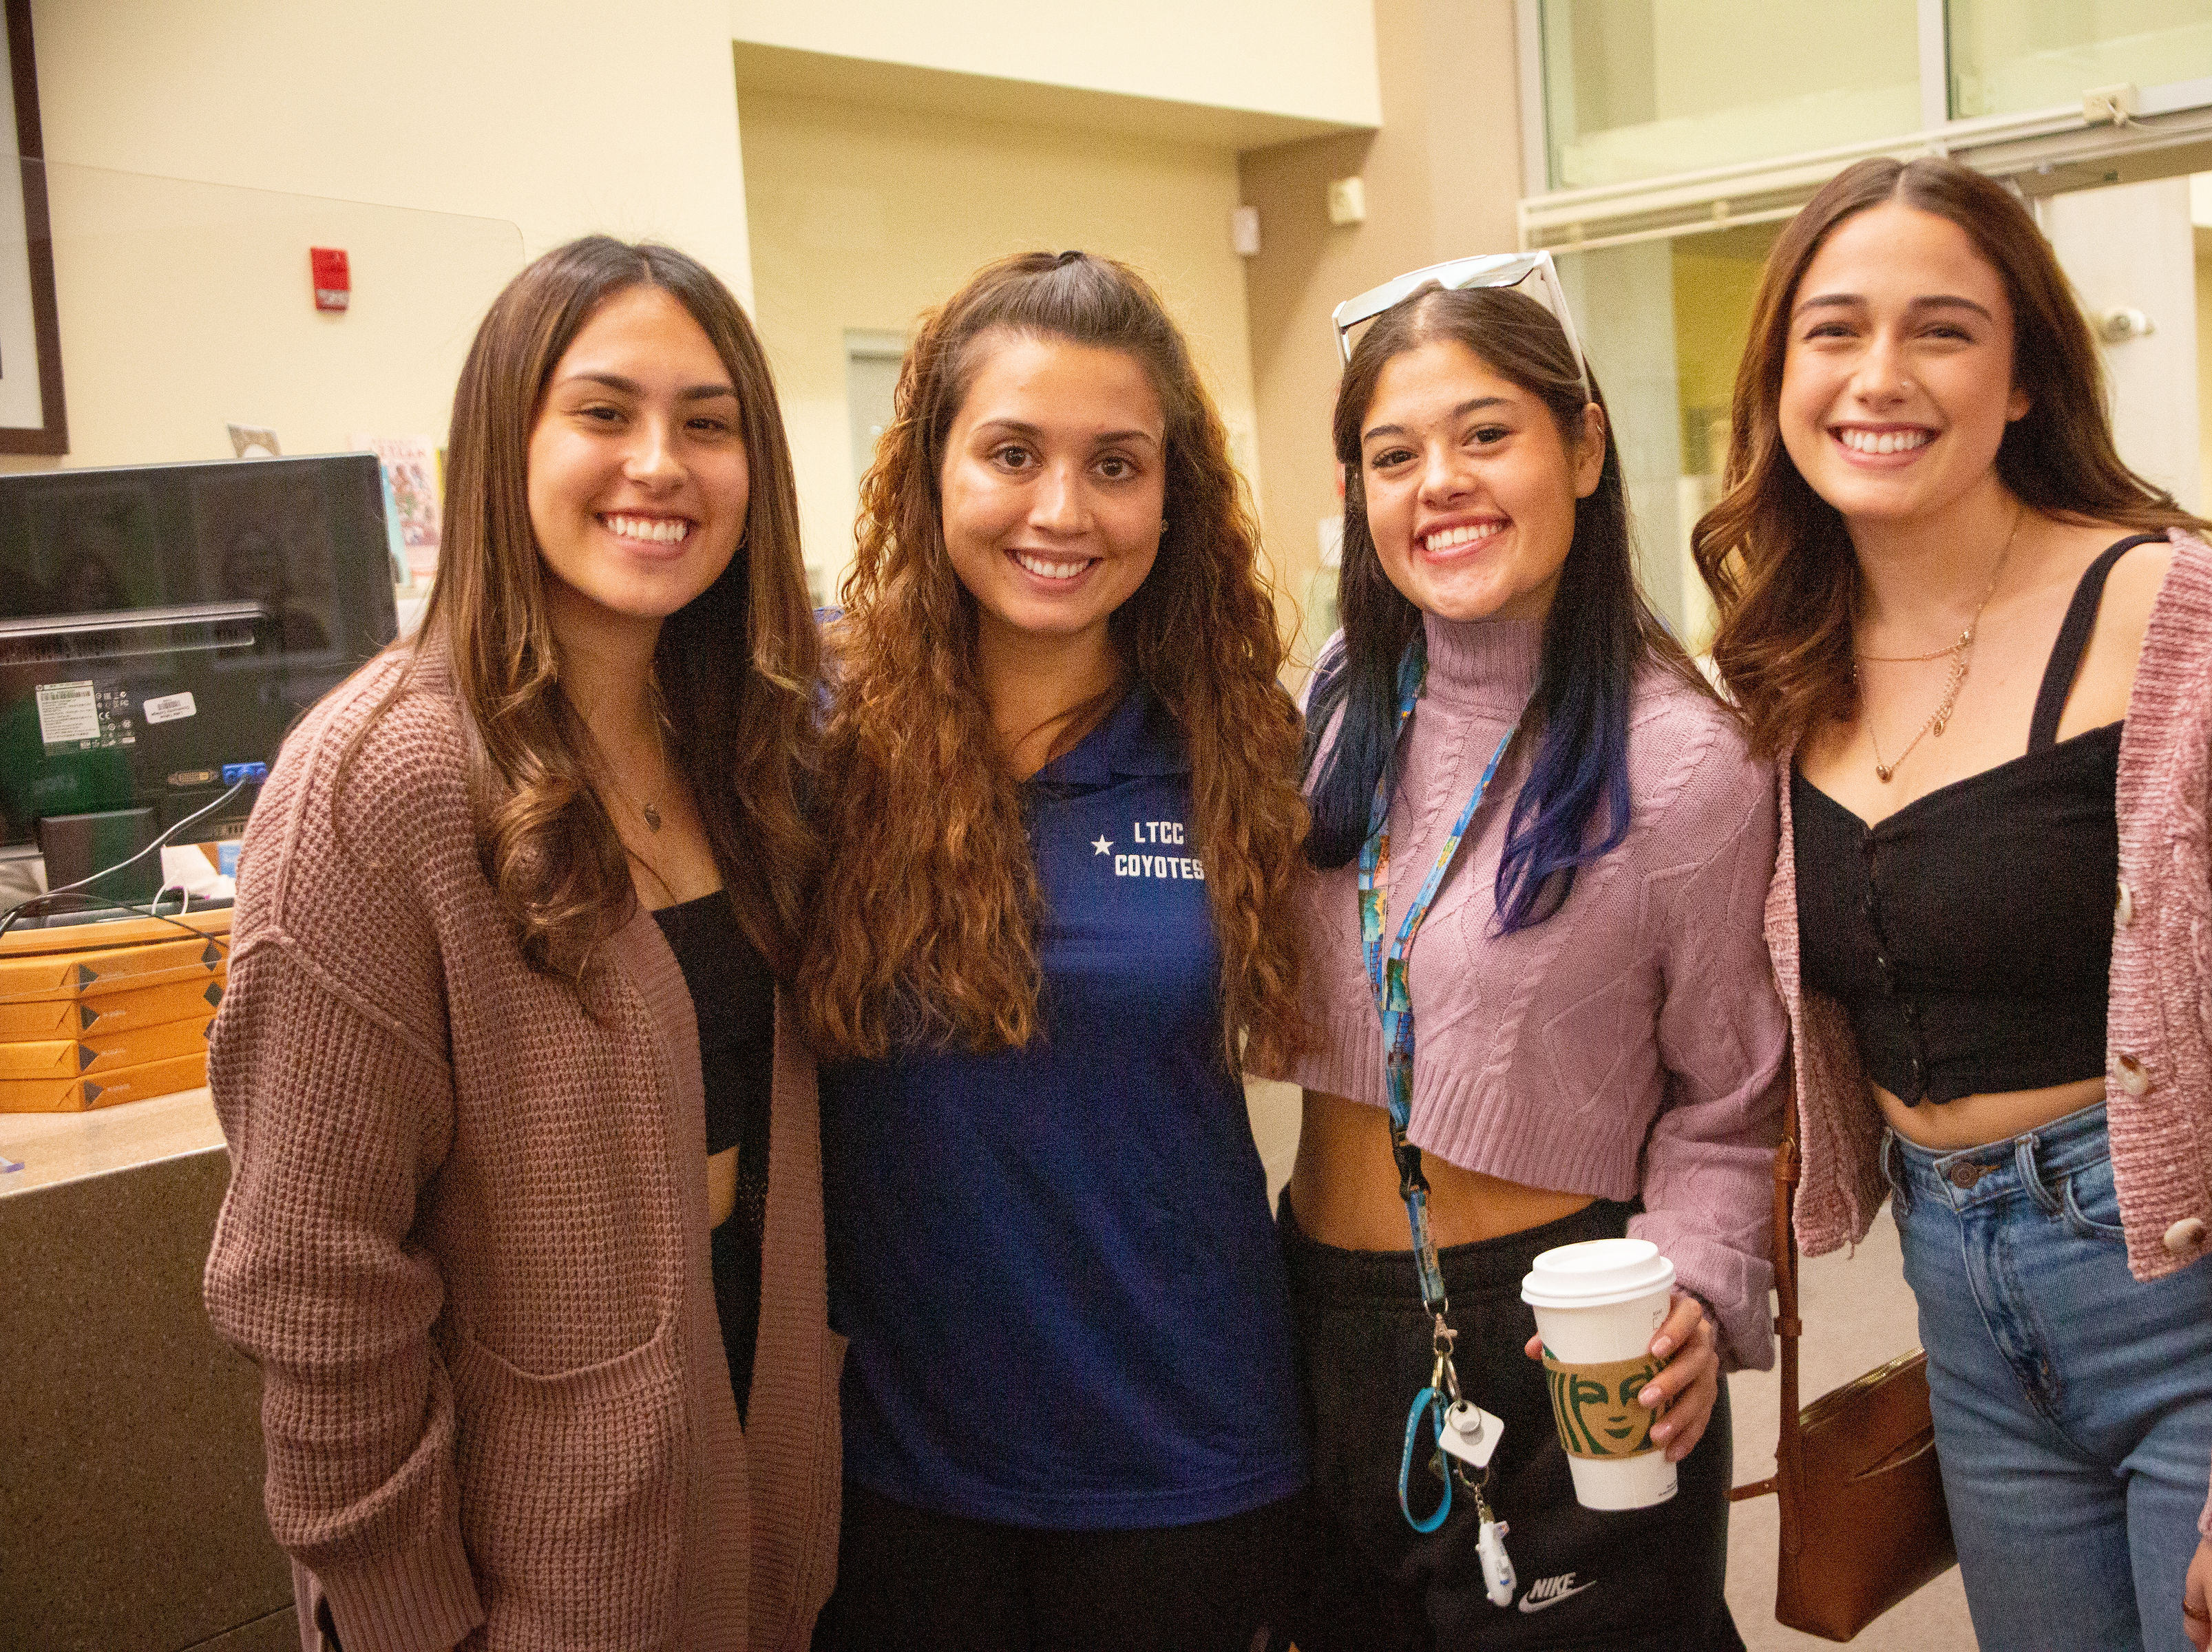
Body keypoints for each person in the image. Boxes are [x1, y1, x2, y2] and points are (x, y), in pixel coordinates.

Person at [1693, 156, 2212, 1652]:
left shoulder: (2181, 624)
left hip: (2210, 1321)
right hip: (1967, 1340)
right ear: (1779, 372)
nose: (1879, 376)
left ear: (2026, 376)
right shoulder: (1782, 665)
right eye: (1832, 331)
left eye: (1944, 330)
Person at [204, 236, 841, 1651]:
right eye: (605, 413)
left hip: (751, 1500)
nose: (660, 464)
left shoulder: (751, 748)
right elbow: (314, 1288)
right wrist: (408, 1618)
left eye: (709, 423)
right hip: (529, 1579)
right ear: (509, 444)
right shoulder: (383, 783)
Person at [1267, 253, 1787, 1650]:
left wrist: (1697, 1284)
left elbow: (1733, 1097)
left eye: (1485, 433)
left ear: (1585, 443)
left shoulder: (1685, 762)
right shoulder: (1328, 716)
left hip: (1565, 1332)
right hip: (1321, 1321)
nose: (1441, 480)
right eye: (1394, 453)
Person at [799, 250, 1314, 1652]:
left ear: (1172, 495)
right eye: (1012, 453)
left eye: (1116, 465)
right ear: (932, 473)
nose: (1060, 511)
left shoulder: (1242, 750)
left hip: (1186, 1455)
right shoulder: (816, 746)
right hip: (898, 1465)